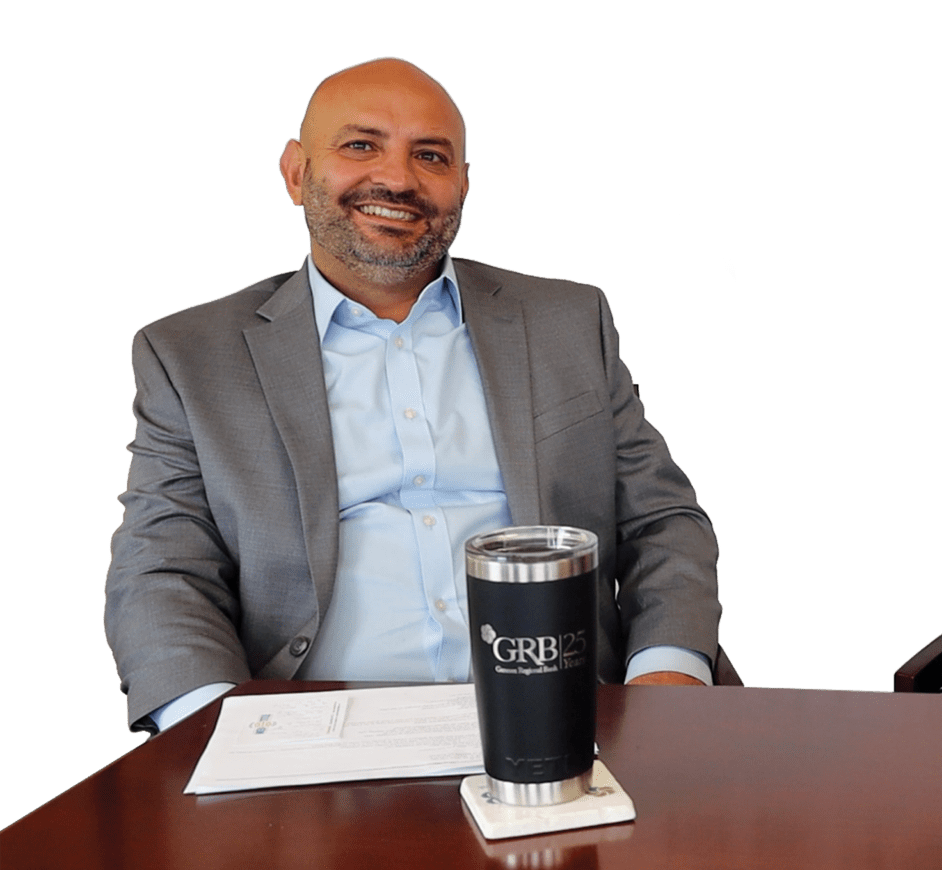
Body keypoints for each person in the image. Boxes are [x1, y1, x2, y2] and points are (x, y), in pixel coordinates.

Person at [105, 58, 724, 733]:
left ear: (462, 183)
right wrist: (219, 737)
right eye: (360, 145)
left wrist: (665, 678)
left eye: (430, 156)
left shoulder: (567, 321)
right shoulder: (191, 356)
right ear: (295, 172)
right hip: (315, 741)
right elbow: (162, 570)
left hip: (568, 712)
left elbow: (661, 521)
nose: (397, 179)